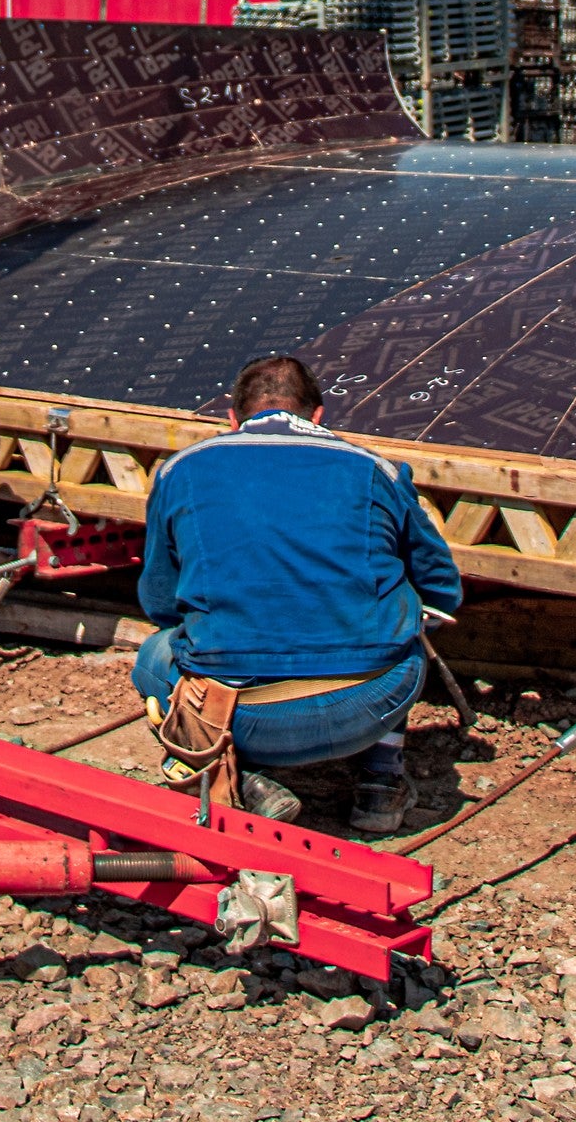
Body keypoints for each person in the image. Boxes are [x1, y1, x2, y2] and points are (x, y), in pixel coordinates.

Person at [134, 355, 461, 836]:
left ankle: (243, 780)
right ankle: (380, 782)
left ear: (231, 417)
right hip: (371, 703)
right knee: (403, 622)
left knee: (152, 657)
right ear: (319, 415)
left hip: (242, 715)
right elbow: (440, 590)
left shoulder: (181, 470)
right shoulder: (377, 471)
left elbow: (159, 599)